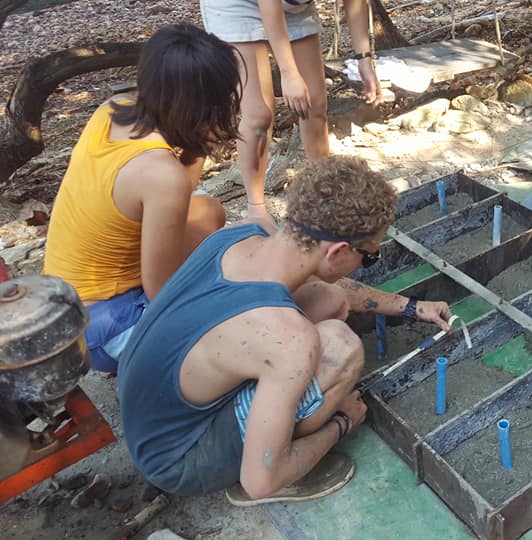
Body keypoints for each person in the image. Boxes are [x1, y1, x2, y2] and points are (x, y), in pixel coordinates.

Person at [117, 156, 453, 503]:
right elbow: (258, 481)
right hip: (179, 458)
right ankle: (283, 466)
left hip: (146, 414)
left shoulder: (239, 237)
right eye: (368, 256)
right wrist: (341, 424)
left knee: (330, 299)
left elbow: (334, 292)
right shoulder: (291, 341)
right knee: (340, 348)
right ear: (337, 251)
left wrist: (410, 307)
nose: (368, 261)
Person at [42, 25, 235, 373]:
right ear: (206, 105)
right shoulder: (161, 175)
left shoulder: (112, 109)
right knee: (229, 326)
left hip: (61, 300)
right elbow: (162, 292)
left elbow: (186, 200)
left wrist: (197, 143)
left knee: (209, 212)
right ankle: (141, 365)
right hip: (95, 329)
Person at [200, 0, 382, 230]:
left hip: (293, 8)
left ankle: (324, 193)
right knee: (259, 114)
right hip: (238, 6)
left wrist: (364, 59)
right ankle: (256, 209)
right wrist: (289, 73)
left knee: (314, 105)